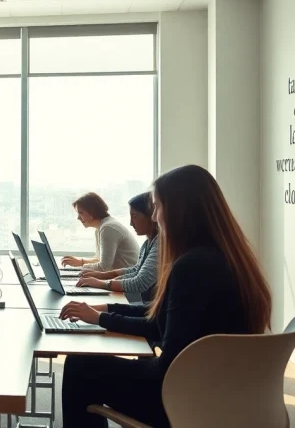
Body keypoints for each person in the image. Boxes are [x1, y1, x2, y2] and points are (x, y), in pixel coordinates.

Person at [58, 164, 272, 428]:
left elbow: (162, 342)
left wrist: (102, 318)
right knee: (90, 364)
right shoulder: (233, 259)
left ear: (179, 211)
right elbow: (162, 319)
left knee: (79, 367)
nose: (155, 216)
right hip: (226, 393)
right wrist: (103, 313)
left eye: (157, 207)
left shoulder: (191, 267)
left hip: (181, 397)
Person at [75, 192, 159, 302]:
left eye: (134, 216)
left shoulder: (160, 243)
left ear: (152, 216)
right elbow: (136, 269)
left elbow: (140, 282)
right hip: (136, 297)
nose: (130, 223)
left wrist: (102, 282)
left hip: (143, 303)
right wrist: (103, 277)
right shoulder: (148, 243)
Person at [60, 192, 139, 272]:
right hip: (120, 278)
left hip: (127, 280)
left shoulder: (108, 228)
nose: (78, 218)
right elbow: (100, 260)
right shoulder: (102, 227)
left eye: (81, 213)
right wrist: (80, 262)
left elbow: (103, 267)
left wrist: (82, 267)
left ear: (92, 211)